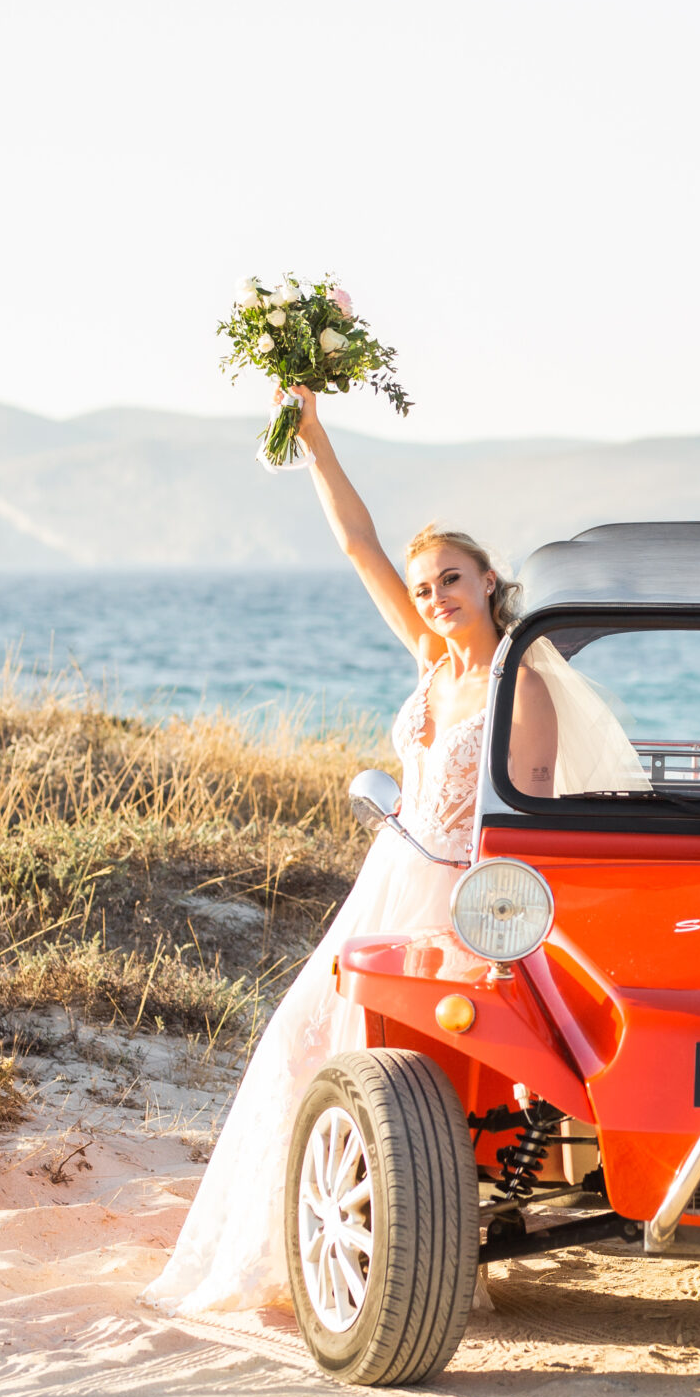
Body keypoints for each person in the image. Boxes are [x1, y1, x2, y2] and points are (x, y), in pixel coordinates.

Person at [145, 386, 557, 1315]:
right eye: (426, 586)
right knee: (306, 1039)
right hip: (388, 881)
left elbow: (527, 810)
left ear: (488, 579)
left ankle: (399, 1254)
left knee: (411, 1071)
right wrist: (316, 438)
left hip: (459, 898)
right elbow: (357, 544)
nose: (436, 597)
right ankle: (290, 1243)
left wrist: (485, 913)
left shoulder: (519, 682)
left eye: (451, 579)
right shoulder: (430, 660)